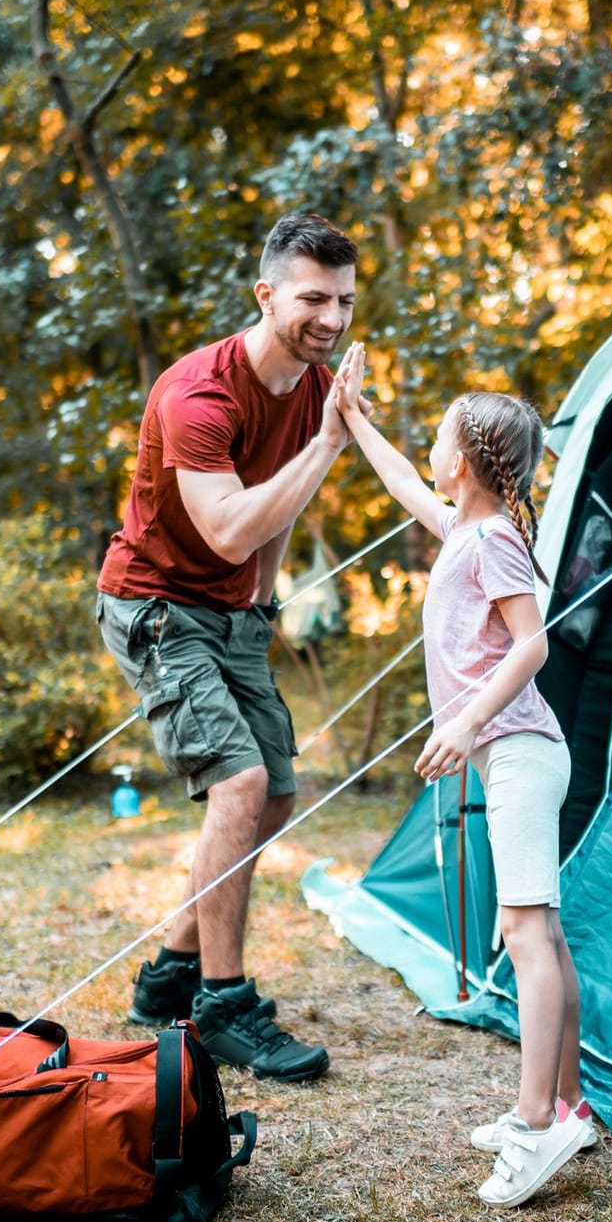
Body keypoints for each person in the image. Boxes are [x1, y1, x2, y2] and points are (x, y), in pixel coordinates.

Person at [96, 212, 361, 1082]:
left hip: (232, 609)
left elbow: (274, 521)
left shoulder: (313, 387)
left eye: (346, 301)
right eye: (314, 298)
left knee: (277, 791)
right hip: (157, 604)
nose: (331, 317)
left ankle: (169, 973)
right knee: (239, 784)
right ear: (268, 294)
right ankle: (221, 1003)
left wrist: (262, 598)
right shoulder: (198, 394)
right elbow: (224, 527)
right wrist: (327, 444)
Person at [332, 359, 595, 1208]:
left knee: (524, 932)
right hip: (511, 749)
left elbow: (533, 645)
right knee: (541, 932)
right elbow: (405, 481)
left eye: (440, 436)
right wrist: (354, 418)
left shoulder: (494, 541)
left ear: (469, 461)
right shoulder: (464, 531)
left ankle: (533, 1129)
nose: (430, 449)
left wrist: (466, 721)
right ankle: (570, 1106)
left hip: (518, 749)